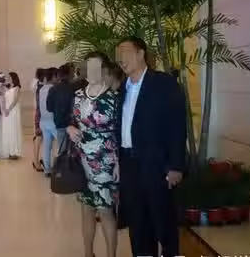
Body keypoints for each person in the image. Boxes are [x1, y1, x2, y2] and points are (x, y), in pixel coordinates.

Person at [115, 37, 186, 257]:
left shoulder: (164, 84)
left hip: (157, 166)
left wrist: (176, 166)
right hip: (129, 165)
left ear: (141, 54)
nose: (121, 59)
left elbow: (177, 126)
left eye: (125, 53)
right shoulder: (122, 88)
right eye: (118, 55)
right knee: (138, 225)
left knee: (163, 223)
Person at [67, 52, 120, 257]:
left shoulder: (113, 98)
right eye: (88, 67)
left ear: (104, 70)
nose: (91, 71)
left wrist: (118, 162)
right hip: (82, 159)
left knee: (106, 210)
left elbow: (120, 132)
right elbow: (70, 121)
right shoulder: (78, 95)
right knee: (86, 209)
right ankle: (88, 253)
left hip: (105, 160)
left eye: (96, 67)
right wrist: (70, 128)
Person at [47, 64, 75, 152]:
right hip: (74, 124)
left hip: (59, 122)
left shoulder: (53, 89)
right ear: (70, 74)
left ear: (59, 75)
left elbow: (49, 108)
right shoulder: (75, 88)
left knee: (62, 151)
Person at [38, 67, 58, 176]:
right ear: (53, 76)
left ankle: (47, 169)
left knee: (47, 146)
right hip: (52, 121)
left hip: (43, 121)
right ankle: (61, 168)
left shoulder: (42, 89)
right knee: (61, 144)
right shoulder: (54, 89)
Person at [1, 72, 22, 159]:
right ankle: (8, 150)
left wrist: (8, 109)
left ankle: (14, 151)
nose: (7, 78)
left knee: (13, 129)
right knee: (7, 129)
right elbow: (3, 99)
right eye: (7, 77)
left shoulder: (17, 88)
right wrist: (4, 109)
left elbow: (15, 100)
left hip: (13, 110)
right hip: (6, 111)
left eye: (9, 77)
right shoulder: (6, 88)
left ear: (14, 78)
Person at [31, 68, 45, 172]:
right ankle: (36, 161)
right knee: (39, 137)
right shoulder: (40, 88)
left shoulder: (36, 86)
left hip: (38, 113)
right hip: (40, 114)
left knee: (40, 138)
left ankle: (39, 160)